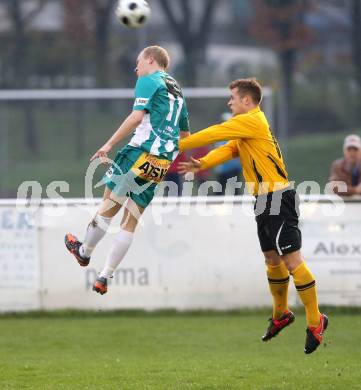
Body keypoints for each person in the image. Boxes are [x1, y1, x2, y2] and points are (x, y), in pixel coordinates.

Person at [178, 78, 327, 354]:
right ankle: (281, 314)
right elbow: (231, 147)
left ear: (247, 100)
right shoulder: (248, 125)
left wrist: (178, 144)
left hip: (279, 198)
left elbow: (215, 132)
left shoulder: (252, 120)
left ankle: (316, 321)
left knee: (293, 261)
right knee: (272, 260)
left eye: (232, 97)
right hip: (263, 200)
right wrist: (203, 163)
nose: (229, 102)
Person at [65, 46, 190, 294]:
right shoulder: (177, 90)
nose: (136, 68)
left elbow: (135, 117)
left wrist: (109, 144)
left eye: (138, 62)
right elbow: (185, 135)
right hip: (161, 163)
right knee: (130, 221)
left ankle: (84, 252)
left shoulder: (149, 79)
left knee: (108, 208)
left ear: (151, 60)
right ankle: (104, 276)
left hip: (137, 153)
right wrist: (168, 155)